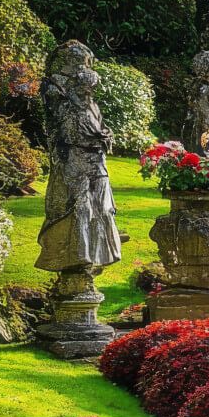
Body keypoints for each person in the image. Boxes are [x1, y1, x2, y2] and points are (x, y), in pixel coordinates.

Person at [37, 41, 121, 276]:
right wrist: (97, 138)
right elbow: (70, 134)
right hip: (74, 161)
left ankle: (95, 252)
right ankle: (78, 255)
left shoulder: (90, 105)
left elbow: (99, 130)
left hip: (95, 162)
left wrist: (104, 136)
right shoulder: (58, 95)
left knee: (103, 207)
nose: (88, 91)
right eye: (83, 83)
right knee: (80, 207)